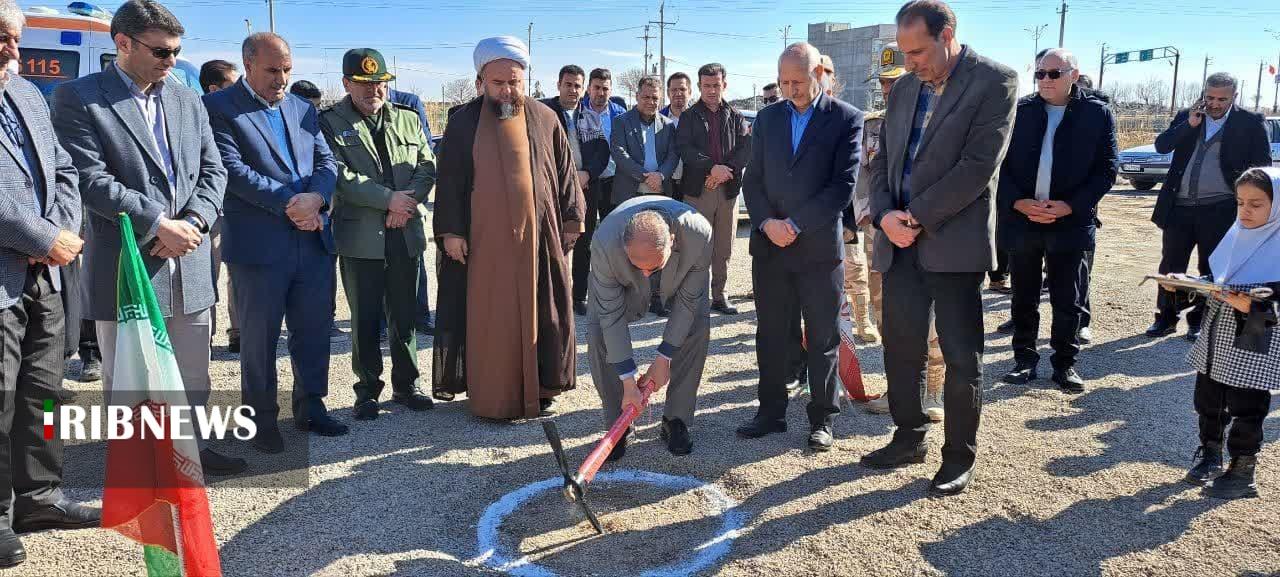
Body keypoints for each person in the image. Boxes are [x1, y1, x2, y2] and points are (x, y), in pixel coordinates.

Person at [52, 0, 243, 475]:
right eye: (160, 52)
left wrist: (194, 223)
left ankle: (190, 451)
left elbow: (213, 168)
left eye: (176, 51)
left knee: (193, 373)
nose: (170, 62)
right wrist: (160, 224)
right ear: (123, 44)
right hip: (129, 264)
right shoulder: (79, 98)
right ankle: (137, 464)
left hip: (191, 259)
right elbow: (91, 179)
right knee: (131, 377)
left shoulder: (184, 96)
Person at [862, 0, 1017, 496]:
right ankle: (908, 436)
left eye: (919, 50)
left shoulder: (995, 82)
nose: (911, 62)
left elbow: (978, 166)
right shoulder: (905, 88)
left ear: (948, 33)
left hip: (952, 245)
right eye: (905, 52)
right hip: (900, 243)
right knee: (900, 348)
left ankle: (958, 457)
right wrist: (886, 215)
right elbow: (884, 158)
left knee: (959, 355)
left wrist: (916, 217)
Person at [203, 32, 349, 452]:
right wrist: (292, 203)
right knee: (259, 338)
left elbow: (326, 161)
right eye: (272, 70)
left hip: (313, 240)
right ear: (247, 65)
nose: (281, 79)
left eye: (287, 70)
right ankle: (260, 419)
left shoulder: (303, 108)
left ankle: (311, 406)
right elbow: (229, 168)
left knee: (313, 329)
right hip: (259, 246)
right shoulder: (219, 108)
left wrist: (318, 198)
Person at [432, 36, 584, 419]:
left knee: (542, 313)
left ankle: (542, 389)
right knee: (490, 321)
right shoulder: (462, 122)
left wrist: (572, 219)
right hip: (484, 248)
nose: (507, 89)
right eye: (498, 82)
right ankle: (491, 398)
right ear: (481, 80)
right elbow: (448, 181)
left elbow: (565, 175)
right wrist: (451, 231)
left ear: (524, 79)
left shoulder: (545, 118)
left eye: (514, 81)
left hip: (537, 241)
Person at [0, 2, 101, 566]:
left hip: (44, 274)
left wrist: (60, 230)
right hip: (11, 268)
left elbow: (65, 168)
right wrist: (42, 237)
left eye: (14, 38)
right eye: (1, 38)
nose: (12, 50)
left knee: (44, 392)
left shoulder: (27, 95)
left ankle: (40, 500)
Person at [736, 43, 863, 452]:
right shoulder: (768, 119)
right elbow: (752, 179)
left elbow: (842, 185)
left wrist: (795, 223)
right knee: (771, 333)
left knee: (822, 335)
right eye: (784, 82)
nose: (791, 89)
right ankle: (770, 411)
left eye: (799, 81)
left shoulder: (846, 119)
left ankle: (823, 417)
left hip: (818, 250)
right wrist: (766, 222)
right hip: (771, 248)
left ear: (820, 74)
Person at [319, 48, 437, 421]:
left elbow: (426, 165)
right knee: (365, 317)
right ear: (346, 83)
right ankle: (367, 390)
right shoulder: (330, 122)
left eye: (380, 84)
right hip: (360, 236)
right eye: (364, 84)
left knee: (405, 314)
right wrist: (389, 201)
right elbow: (338, 175)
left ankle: (407, 384)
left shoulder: (407, 118)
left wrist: (406, 204)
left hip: (405, 232)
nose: (374, 91)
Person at [997, 48, 1116, 394]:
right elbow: (997, 164)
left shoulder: (1097, 114)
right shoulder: (1020, 111)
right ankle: (1024, 360)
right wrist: (1018, 202)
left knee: (1068, 298)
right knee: (1023, 295)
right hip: (1024, 220)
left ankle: (1065, 364)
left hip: (1070, 223)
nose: (1045, 80)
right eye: (1040, 74)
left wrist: (1070, 206)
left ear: (1074, 75)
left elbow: (1107, 169)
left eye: (1054, 73)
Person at [1145, 72, 1272, 342]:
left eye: (1221, 99)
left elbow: (1262, 167)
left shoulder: (1250, 122)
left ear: (1234, 96)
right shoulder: (1187, 116)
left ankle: (1199, 321)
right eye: (1210, 97)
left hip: (1220, 208)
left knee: (1210, 267)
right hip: (1178, 206)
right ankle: (1165, 318)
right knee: (1170, 264)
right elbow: (1162, 146)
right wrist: (1189, 125)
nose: (1214, 103)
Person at [587, 197, 711, 459]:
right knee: (599, 328)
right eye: (637, 265)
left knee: (697, 323)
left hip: (679, 282)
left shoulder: (699, 234)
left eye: (652, 266)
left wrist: (663, 358)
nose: (645, 273)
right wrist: (629, 381)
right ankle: (618, 422)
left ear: (673, 242)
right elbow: (611, 315)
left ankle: (676, 419)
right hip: (623, 288)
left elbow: (688, 303)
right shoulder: (604, 244)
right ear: (624, 246)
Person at [1182, 167, 1278, 500]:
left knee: (1247, 401)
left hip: (1255, 335)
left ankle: (1242, 470)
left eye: (1256, 204)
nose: (1245, 211)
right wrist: (1187, 284)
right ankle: (1210, 453)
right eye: (1240, 203)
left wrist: (1240, 300)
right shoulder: (1236, 234)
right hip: (1216, 333)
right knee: (1208, 396)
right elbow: (1216, 274)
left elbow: (1269, 306)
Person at [676, 63, 751, 315]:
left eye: (716, 85)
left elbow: (745, 148)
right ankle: (695, 298)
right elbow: (685, 150)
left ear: (724, 85)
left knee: (723, 247)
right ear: (699, 87)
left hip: (727, 191)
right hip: (699, 190)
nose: (711, 90)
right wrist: (711, 169)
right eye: (706, 85)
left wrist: (724, 171)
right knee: (697, 246)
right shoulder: (688, 116)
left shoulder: (736, 115)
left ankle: (720, 296)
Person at [611, 76, 680, 317]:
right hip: (631, 193)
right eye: (646, 97)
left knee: (658, 245)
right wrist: (644, 176)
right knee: (628, 246)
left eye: (654, 98)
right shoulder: (621, 122)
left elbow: (673, 155)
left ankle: (656, 298)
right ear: (637, 96)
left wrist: (661, 175)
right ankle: (629, 299)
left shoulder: (668, 125)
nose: (650, 102)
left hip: (659, 194)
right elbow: (619, 153)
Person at [571, 68, 627, 316]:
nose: (601, 93)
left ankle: (612, 291)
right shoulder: (577, 113)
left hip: (614, 183)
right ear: (588, 89)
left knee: (615, 239)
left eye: (605, 88)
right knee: (584, 240)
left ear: (611, 90)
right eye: (596, 88)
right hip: (587, 183)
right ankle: (579, 294)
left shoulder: (621, 115)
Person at [200, 59, 242, 352]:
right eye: (232, 84)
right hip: (210, 212)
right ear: (214, 88)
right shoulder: (195, 115)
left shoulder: (237, 113)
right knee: (207, 277)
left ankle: (239, 331)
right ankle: (205, 337)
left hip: (239, 209)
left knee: (240, 272)